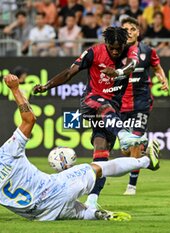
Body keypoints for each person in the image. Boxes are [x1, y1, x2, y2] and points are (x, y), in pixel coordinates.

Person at [0, 74, 159, 223]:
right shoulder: (6, 152)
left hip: (42, 215)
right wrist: (15, 89)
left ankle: (93, 213)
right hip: (56, 189)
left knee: (79, 212)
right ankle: (145, 161)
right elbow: (29, 120)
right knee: (98, 167)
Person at [33, 27, 155, 209]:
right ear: (106, 43)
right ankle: (124, 135)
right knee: (103, 107)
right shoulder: (92, 53)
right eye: (111, 48)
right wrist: (46, 86)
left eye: (118, 48)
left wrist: (119, 73)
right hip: (91, 102)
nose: (115, 51)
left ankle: (92, 201)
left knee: (101, 154)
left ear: (124, 44)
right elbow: (69, 73)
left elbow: (131, 66)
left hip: (113, 111)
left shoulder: (130, 51)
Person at [121, 17, 168, 195]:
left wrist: (162, 79)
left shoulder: (147, 51)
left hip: (141, 103)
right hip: (120, 106)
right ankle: (148, 154)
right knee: (125, 151)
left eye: (133, 29)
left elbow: (157, 68)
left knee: (134, 141)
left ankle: (131, 186)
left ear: (138, 32)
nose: (130, 32)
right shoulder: (116, 52)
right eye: (126, 29)